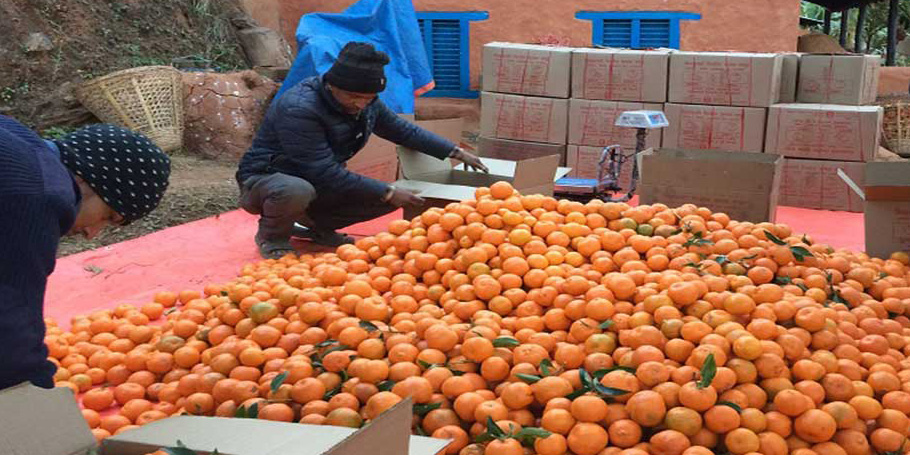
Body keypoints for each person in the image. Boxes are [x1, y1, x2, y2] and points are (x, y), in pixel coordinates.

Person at [236, 42, 489, 259]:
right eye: (354, 96)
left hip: (317, 179)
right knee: (296, 190)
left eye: (368, 98)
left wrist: (454, 151)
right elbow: (320, 170)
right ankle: (273, 237)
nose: (360, 104)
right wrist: (387, 191)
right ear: (332, 86)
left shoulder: (367, 103)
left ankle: (318, 228)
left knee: (388, 195)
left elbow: (403, 131)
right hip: (267, 179)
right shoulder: (300, 108)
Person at [0, 115, 171, 391]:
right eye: (109, 217)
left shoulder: (19, 138)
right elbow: (9, 334)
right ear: (84, 180)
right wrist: (40, 406)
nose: (93, 233)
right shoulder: (38, 196)